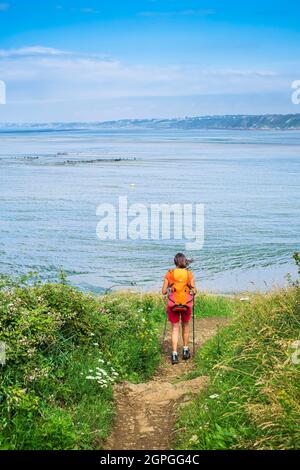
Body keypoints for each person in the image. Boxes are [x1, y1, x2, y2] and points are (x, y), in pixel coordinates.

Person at [162, 253, 197, 364]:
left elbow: (163, 291)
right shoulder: (189, 274)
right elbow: (194, 290)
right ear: (184, 262)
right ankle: (186, 350)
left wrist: (170, 289)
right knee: (185, 326)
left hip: (173, 304)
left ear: (175, 262)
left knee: (175, 329)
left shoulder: (170, 273)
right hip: (186, 304)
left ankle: (174, 354)